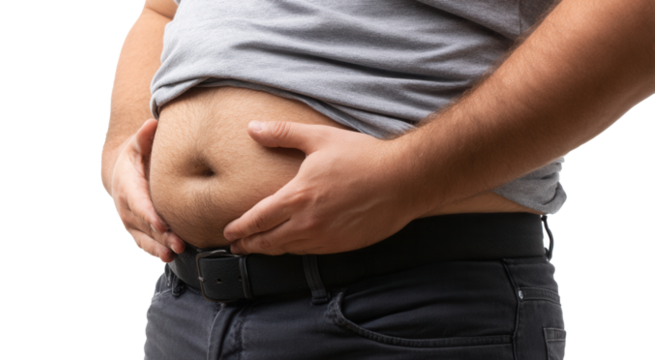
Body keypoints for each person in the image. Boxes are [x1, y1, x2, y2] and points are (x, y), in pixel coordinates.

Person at [101, 0, 653, 358]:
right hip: (185, 308)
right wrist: (123, 140)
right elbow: (161, 10)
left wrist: (408, 176)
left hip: (409, 306)